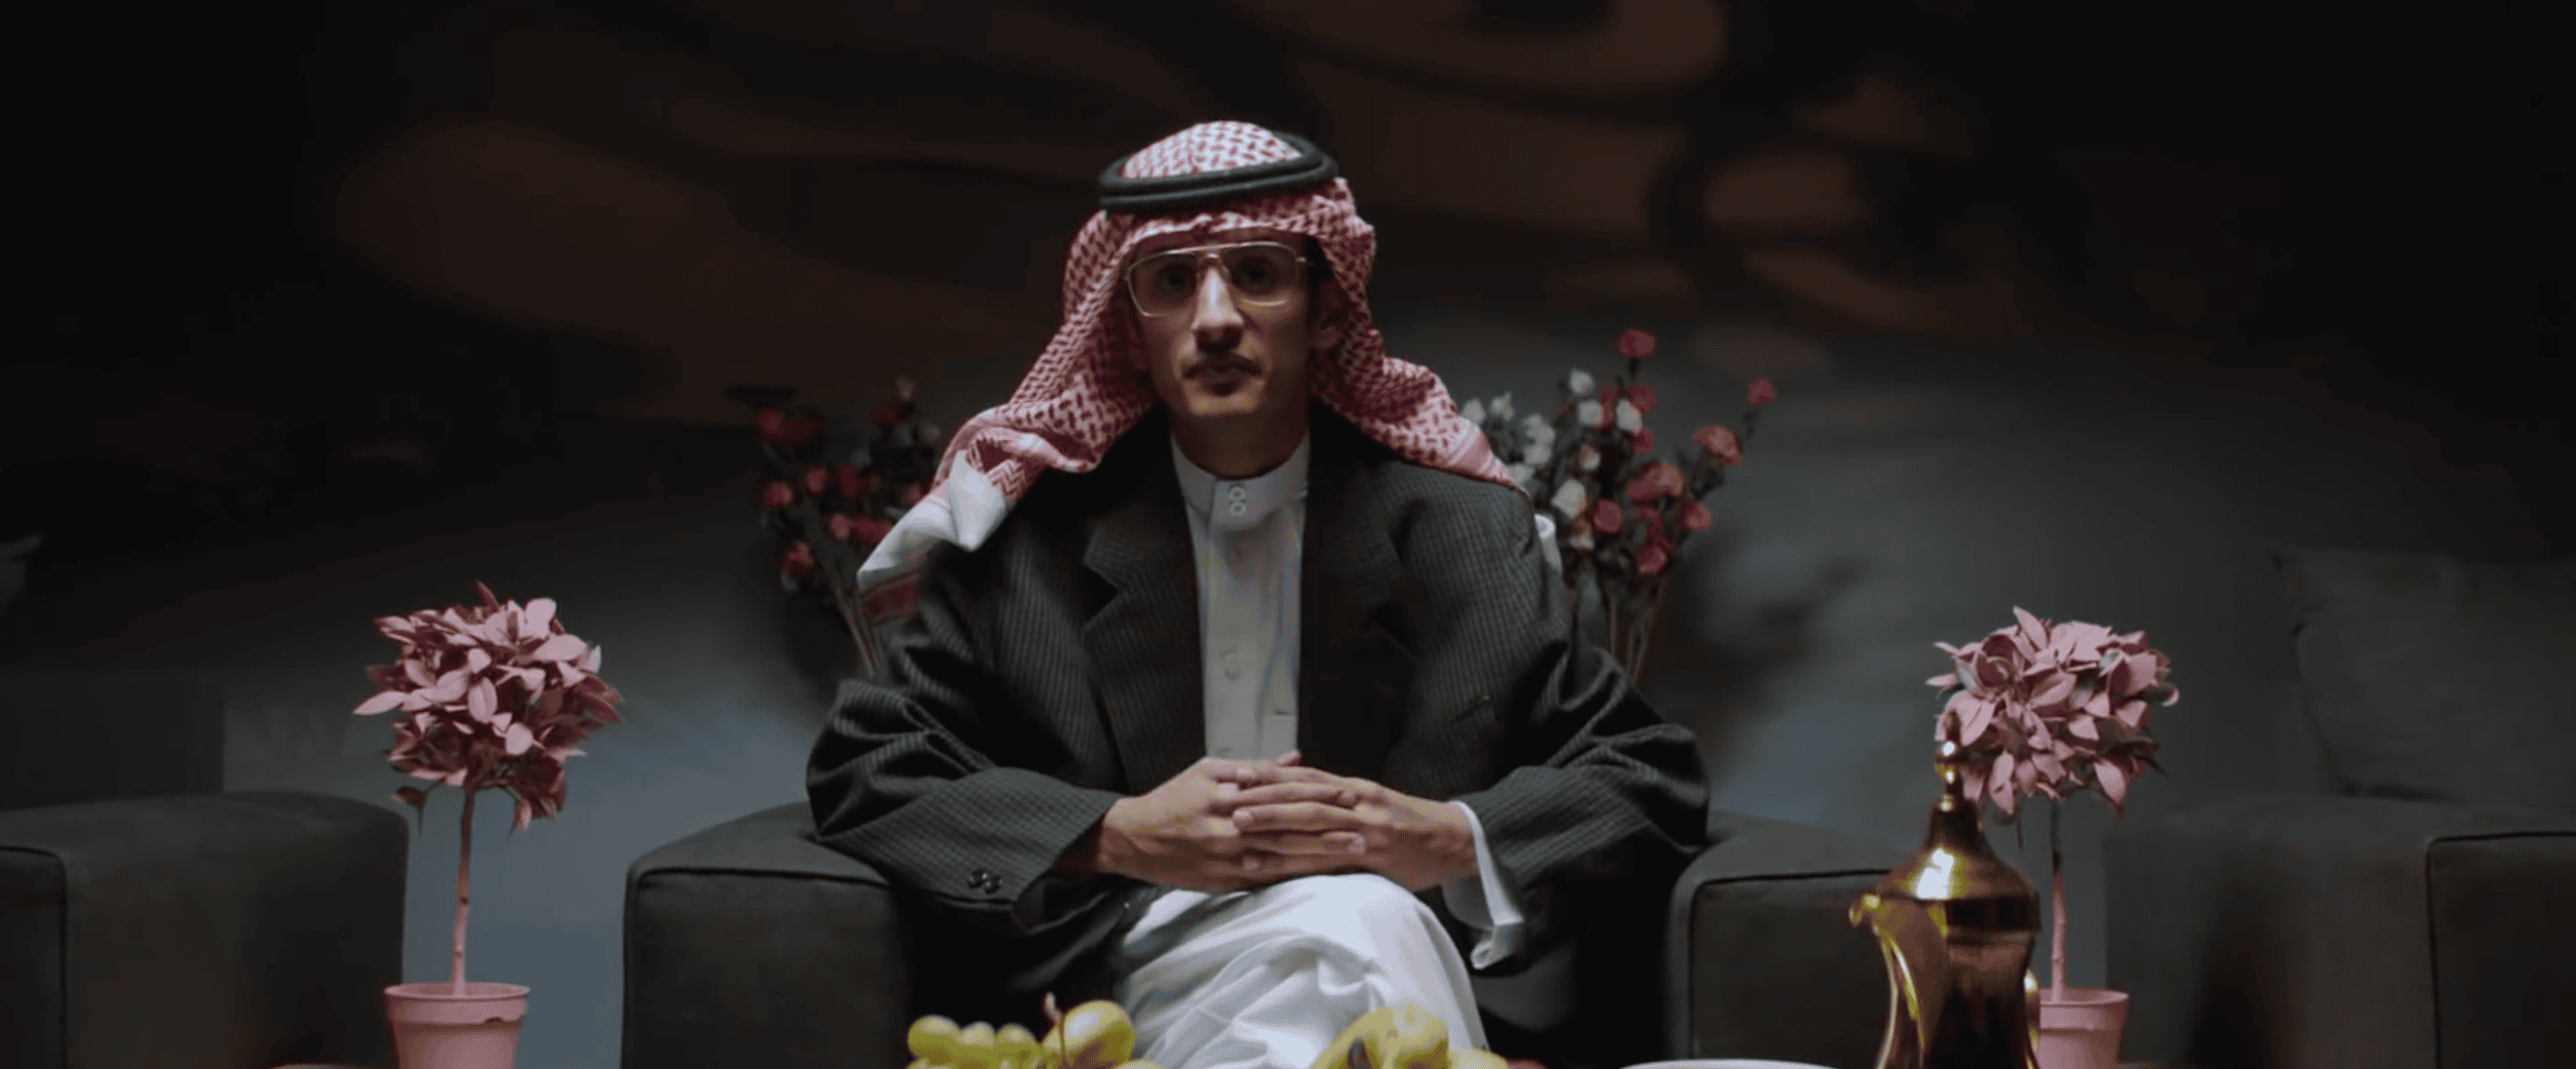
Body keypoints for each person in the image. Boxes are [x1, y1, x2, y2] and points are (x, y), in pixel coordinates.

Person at [807, 121, 1707, 1069]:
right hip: (1120, 972)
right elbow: (870, 766)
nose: (1214, 318)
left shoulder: (1463, 536)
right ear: (1129, 328)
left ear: (1326, 311)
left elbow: (1647, 776)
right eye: (1170, 282)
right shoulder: (1020, 547)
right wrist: (1116, 836)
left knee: (1356, 917)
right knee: (1356, 926)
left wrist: (1447, 839)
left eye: (1256, 274)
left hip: (1390, 949)